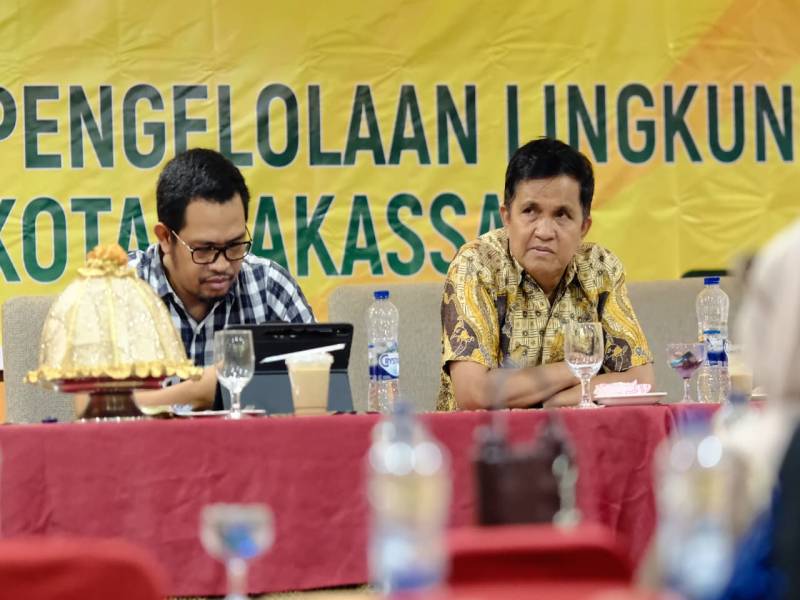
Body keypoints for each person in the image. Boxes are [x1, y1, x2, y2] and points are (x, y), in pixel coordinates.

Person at [438, 137, 654, 410]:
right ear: (507, 217)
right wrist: (580, 366)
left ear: (584, 227)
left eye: (562, 215)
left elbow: (640, 380)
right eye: (530, 211)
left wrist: (555, 402)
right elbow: (474, 393)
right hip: (484, 435)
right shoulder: (477, 265)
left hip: (575, 433)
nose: (544, 231)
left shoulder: (601, 268)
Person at [128, 148, 314, 409]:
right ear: (166, 238)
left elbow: (321, 396)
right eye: (205, 249)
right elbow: (90, 408)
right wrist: (201, 390)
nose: (223, 265)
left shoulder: (270, 288)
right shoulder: (121, 292)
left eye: (235, 245)